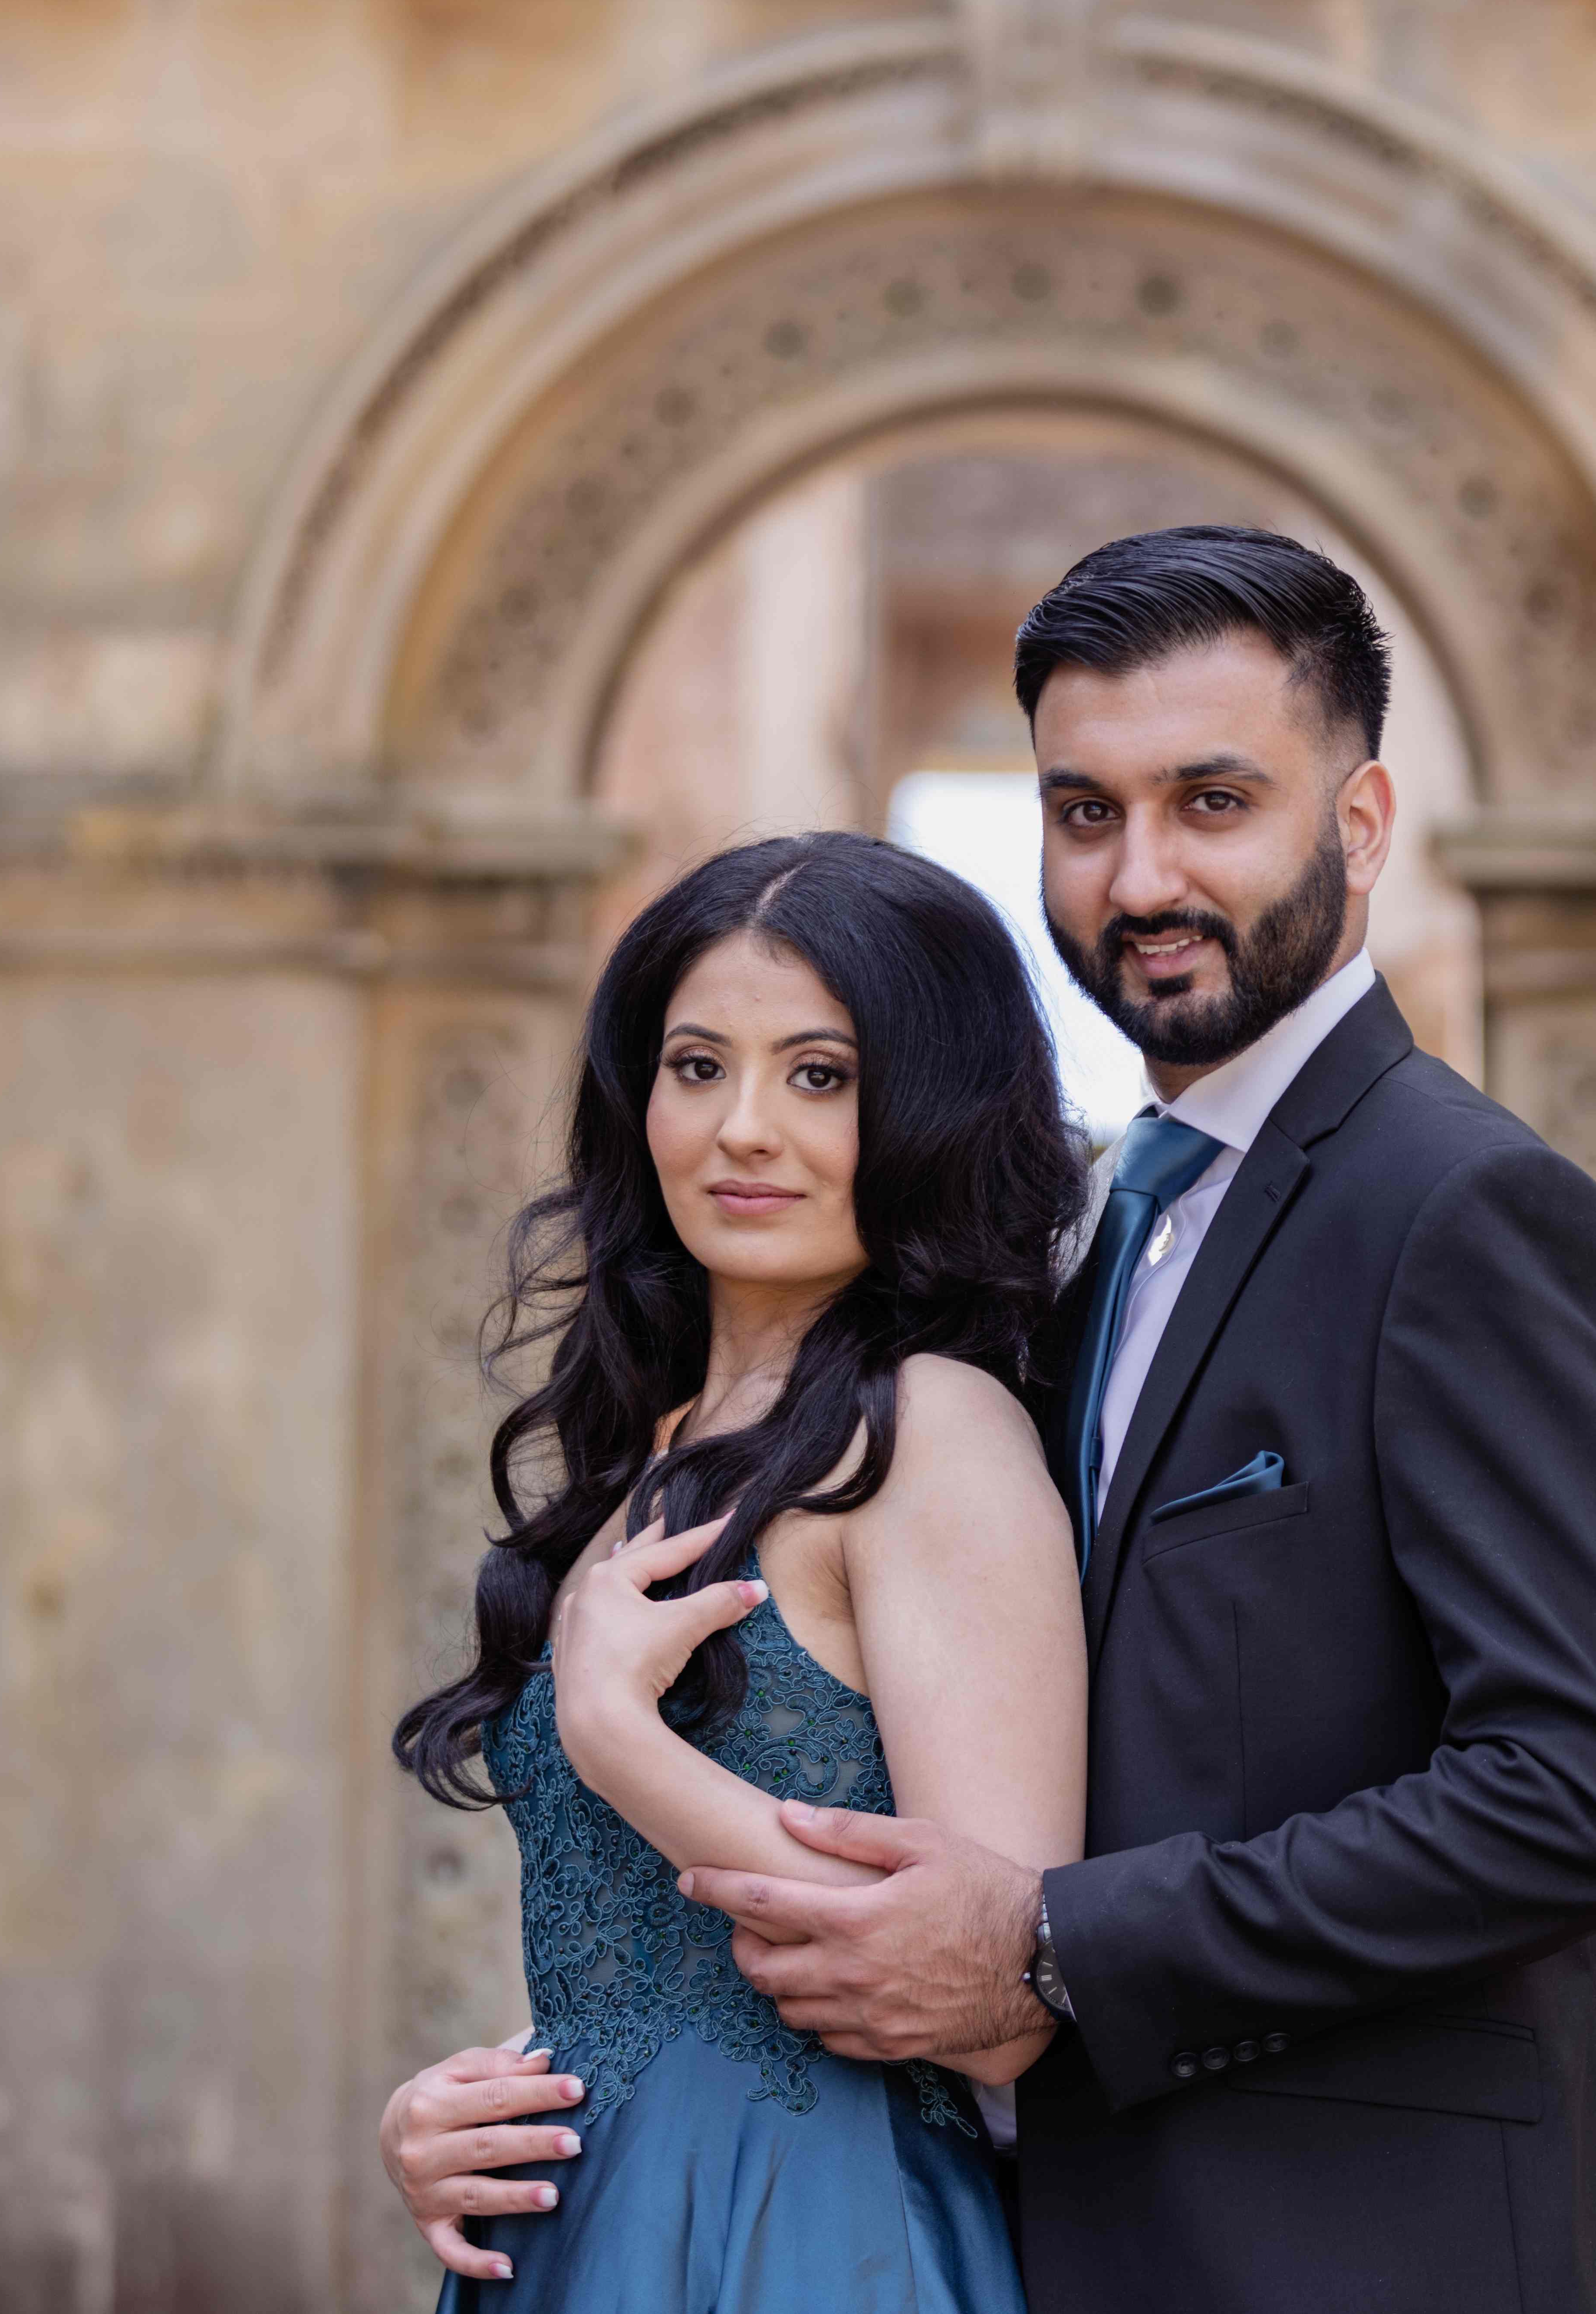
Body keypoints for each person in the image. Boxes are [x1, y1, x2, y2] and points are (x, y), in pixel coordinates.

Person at [386, 522, 1596, 2314]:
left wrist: (1055, 1943)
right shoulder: (1061, 1263)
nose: (1140, 872)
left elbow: (1585, 1791)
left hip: (1354, 2251)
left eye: (1210, 801)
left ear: (1363, 822)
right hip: (1029, 2234)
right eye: (1083, 813)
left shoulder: (1461, 1211)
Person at [383, 832, 1089, 2310]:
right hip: (589, 2228)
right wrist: (454, 2115)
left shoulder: (933, 1430)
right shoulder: (650, 1439)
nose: (742, 1129)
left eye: (817, 1076)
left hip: (817, 2234)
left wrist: (617, 1740)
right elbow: (633, 1959)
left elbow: (1004, 2004)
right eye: (699, 1067)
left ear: (929, 1111)